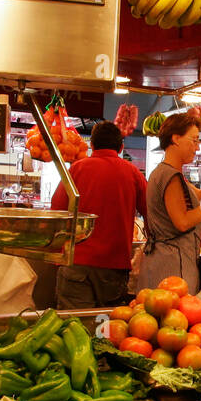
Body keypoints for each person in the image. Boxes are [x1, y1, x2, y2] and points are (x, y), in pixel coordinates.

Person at [49, 122, 148, 309]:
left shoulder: (76, 169)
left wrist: (56, 253)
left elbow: (57, 211)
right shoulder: (132, 172)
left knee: (73, 326)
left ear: (92, 145)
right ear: (121, 147)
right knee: (105, 328)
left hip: (75, 264)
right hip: (113, 269)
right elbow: (151, 213)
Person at [139, 114, 201, 295]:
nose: (197, 147)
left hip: (162, 261)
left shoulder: (164, 171)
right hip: (173, 266)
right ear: (175, 138)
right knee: (174, 319)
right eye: (194, 140)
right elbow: (183, 222)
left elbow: (200, 193)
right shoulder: (170, 176)